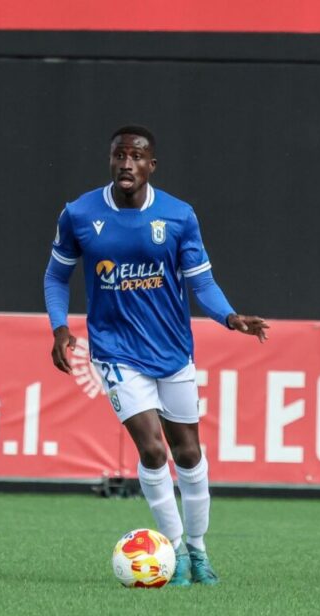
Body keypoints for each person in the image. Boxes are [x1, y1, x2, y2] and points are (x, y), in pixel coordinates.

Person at [43, 125, 268, 586]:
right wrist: (61, 328)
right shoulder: (80, 214)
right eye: (119, 155)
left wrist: (229, 317)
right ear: (111, 161)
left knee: (188, 453)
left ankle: (198, 550)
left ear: (151, 166)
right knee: (151, 448)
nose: (127, 163)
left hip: (172, 351)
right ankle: (173, 552)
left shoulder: (179, 216)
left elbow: (201, 282)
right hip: (116, 351)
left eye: (137, 156)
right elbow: (55, 277)